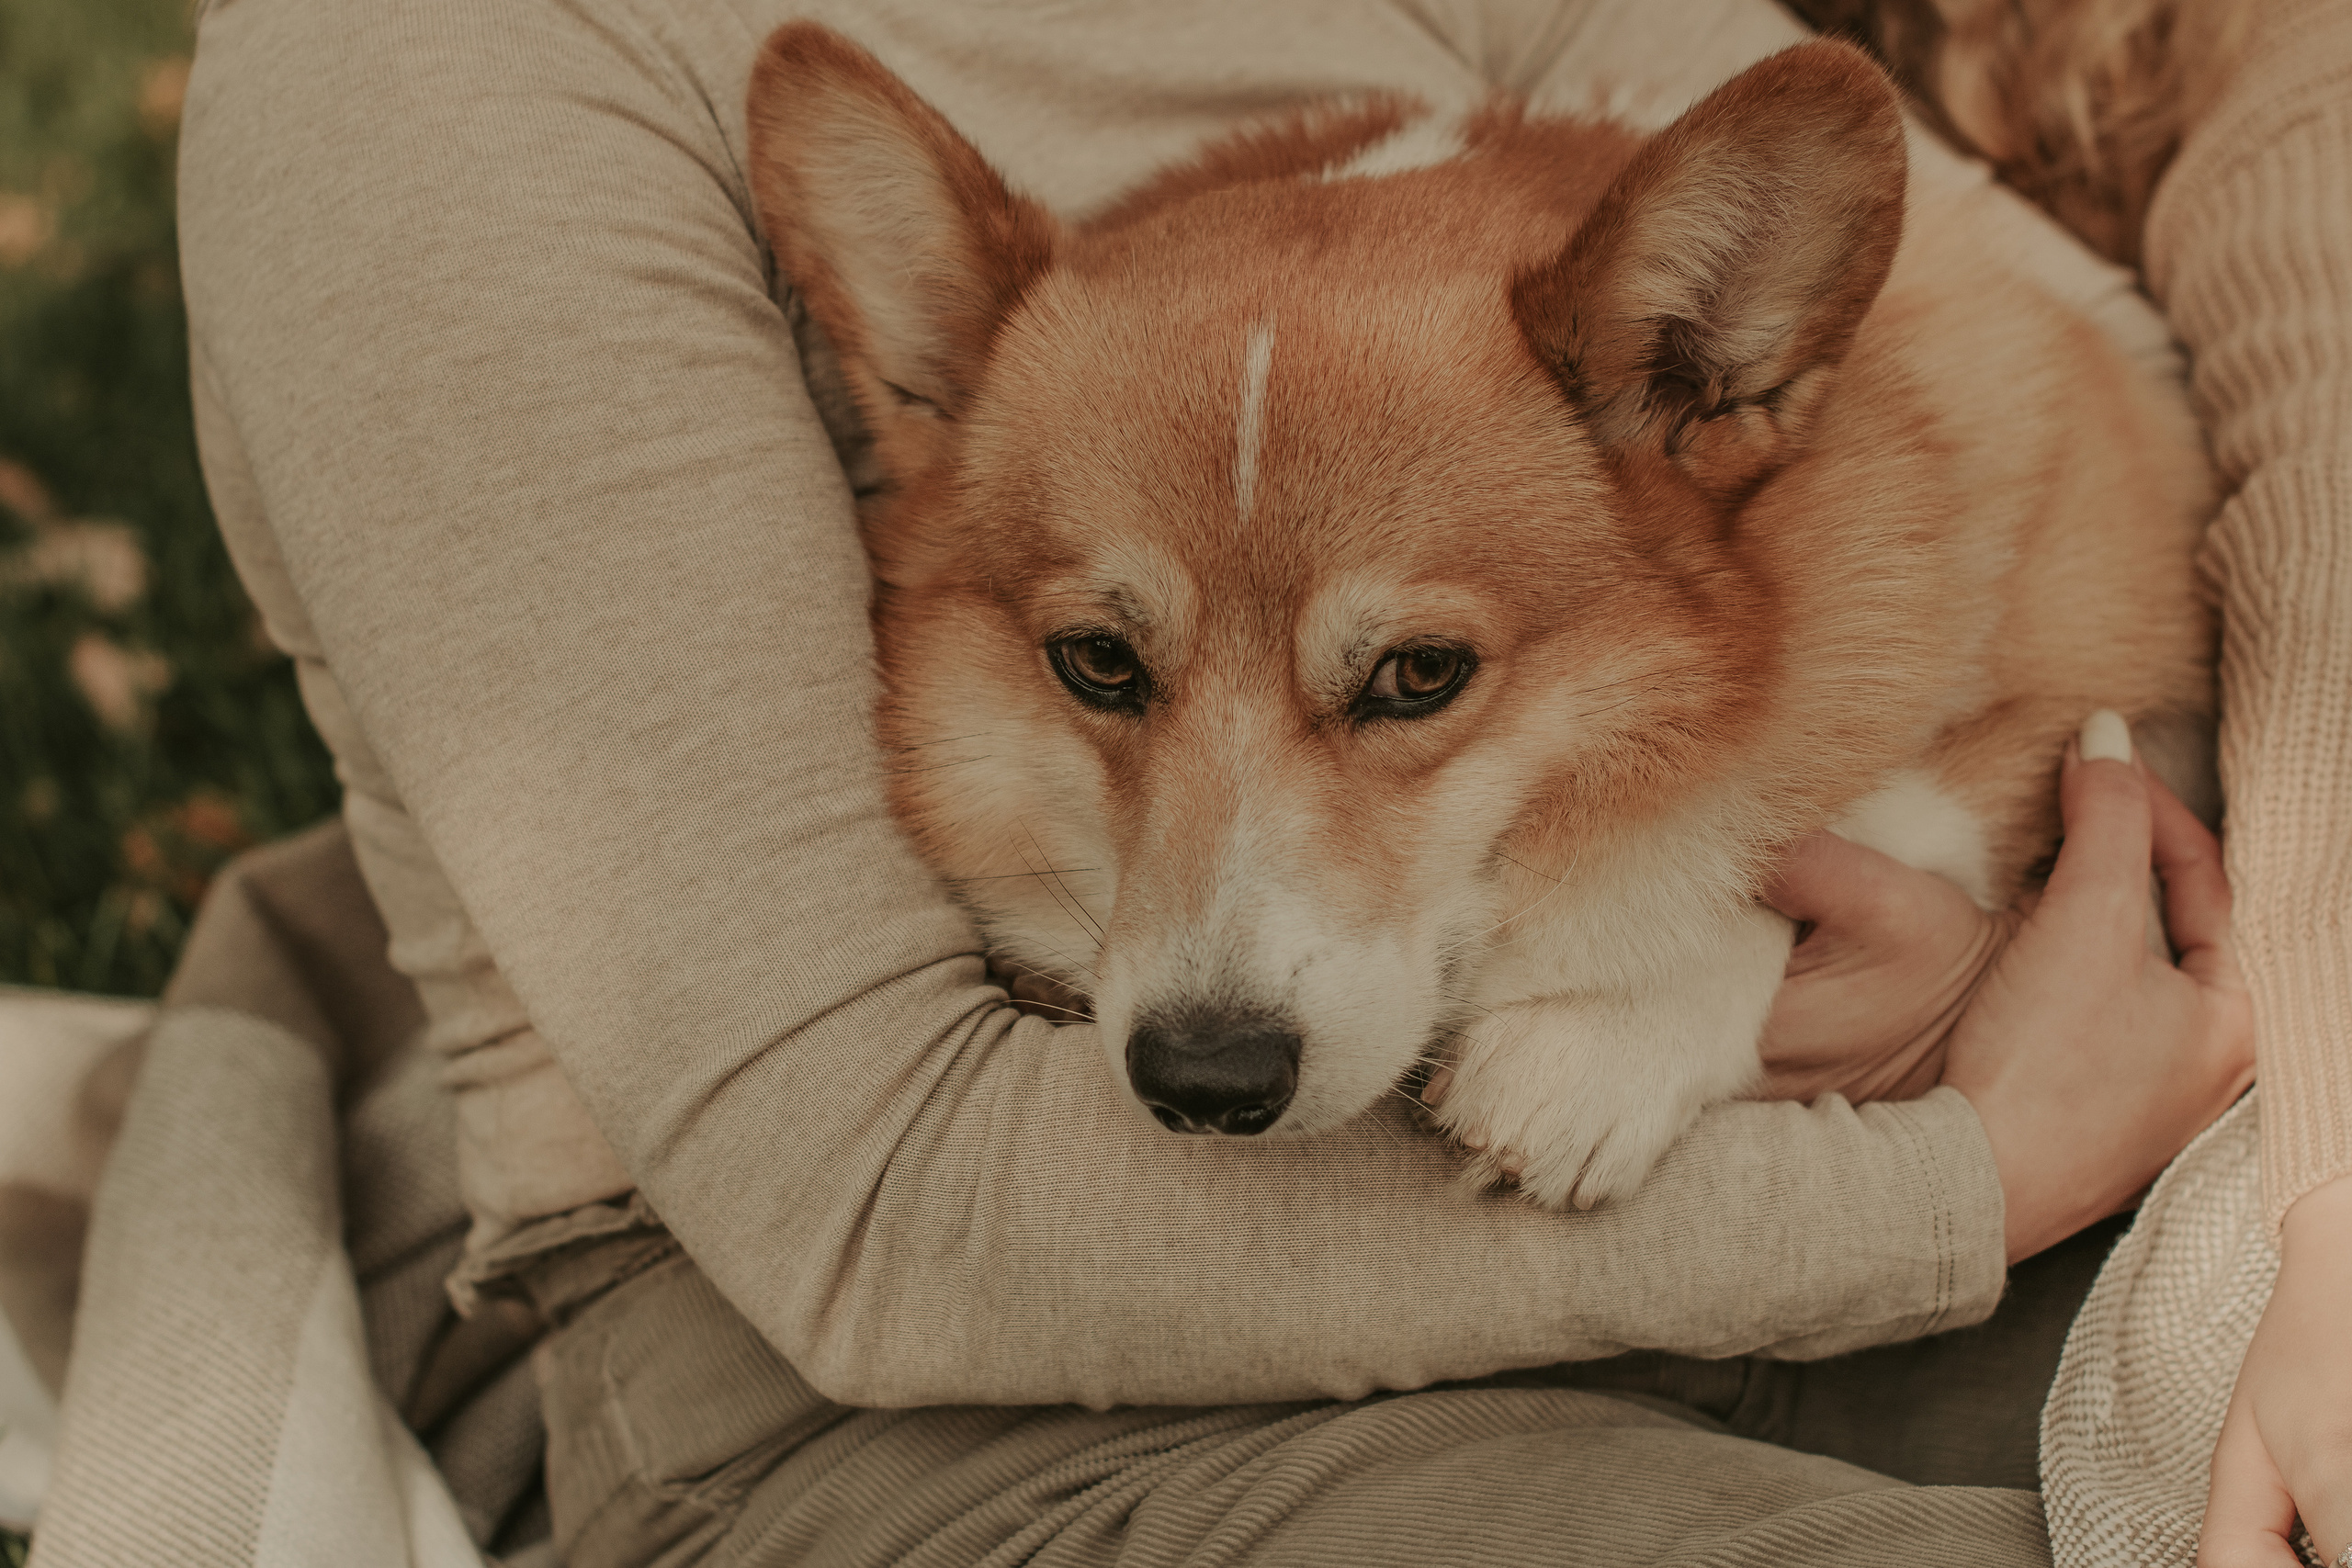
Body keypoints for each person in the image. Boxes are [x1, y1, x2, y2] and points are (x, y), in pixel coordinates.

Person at [164, 0, 2345, 1562]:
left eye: (1404, 677)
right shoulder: (428, 69)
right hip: (942, 1408)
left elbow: (2040, 383)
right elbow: (878, 1217)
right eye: (1101, 664)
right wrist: (1966, 1165)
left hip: (1712, 1216)